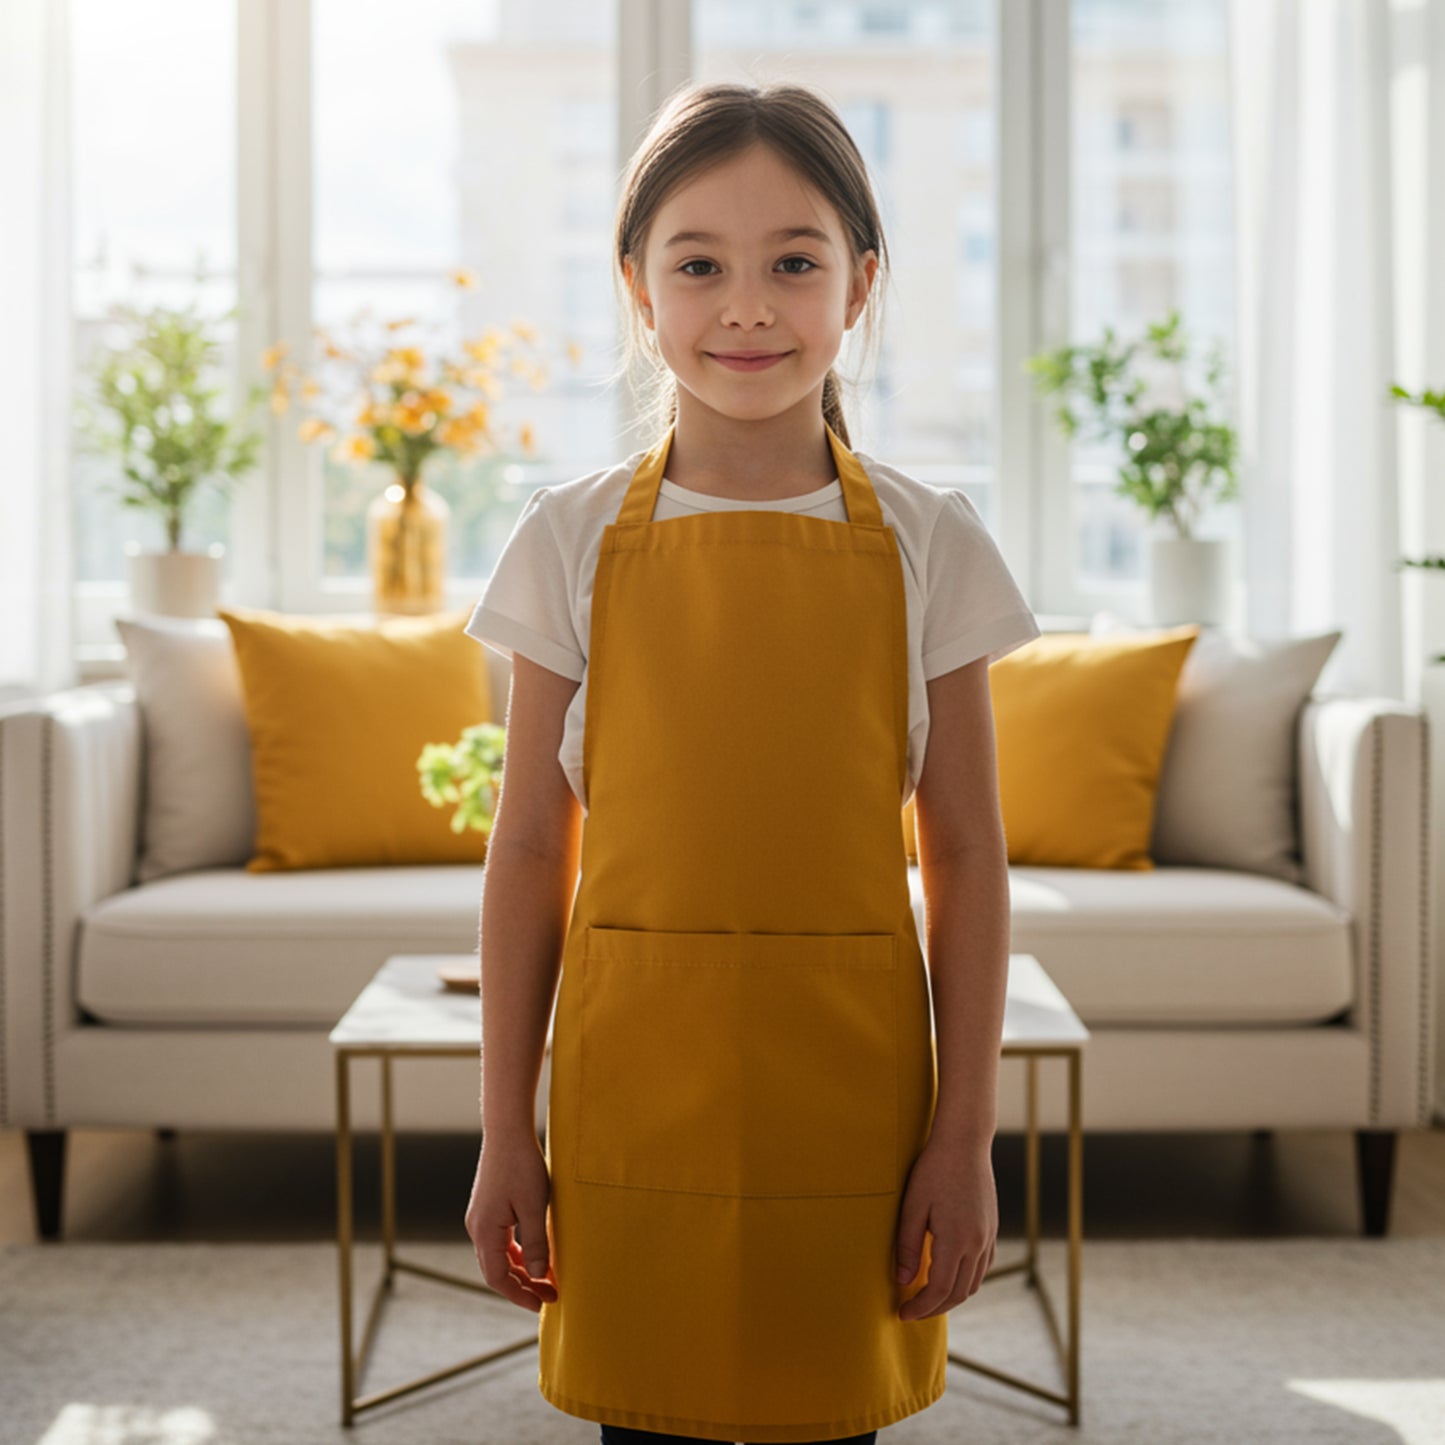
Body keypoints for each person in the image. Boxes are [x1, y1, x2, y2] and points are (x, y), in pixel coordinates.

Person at [463, 78, 1041, 1445]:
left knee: (827, 1413)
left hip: (846, 1090)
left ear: (860, 287)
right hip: (631, 1087)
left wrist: (962, 1139)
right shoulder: (564, 535)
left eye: (794, 261)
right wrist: (504, 1129)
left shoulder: (930, 538)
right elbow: (531, 845)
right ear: (634, 287)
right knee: (643, 1419)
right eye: (698, 263)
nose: (746, 306)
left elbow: (963, 850)